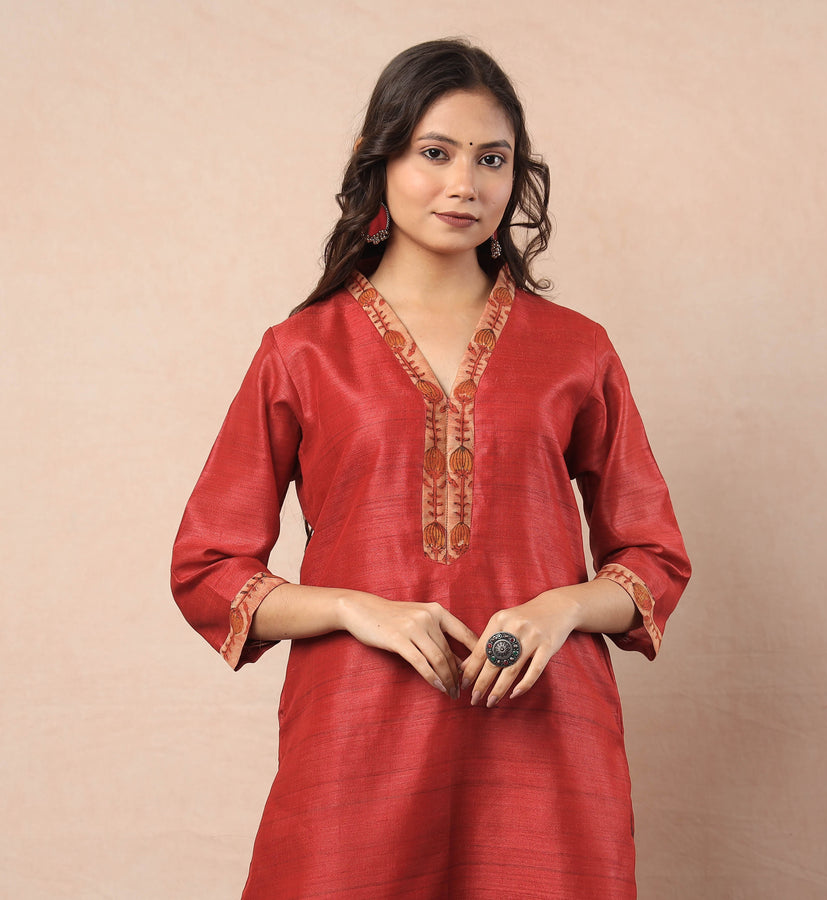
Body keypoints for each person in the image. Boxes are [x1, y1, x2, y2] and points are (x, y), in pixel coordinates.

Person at [171, 38, 691, 900]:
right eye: (435, 153)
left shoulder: (576, 350)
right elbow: (207, 567)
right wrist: (353, 607)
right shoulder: (303, 352)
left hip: (545, 729)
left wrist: (560, 608)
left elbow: (654, 557)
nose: (466, 184)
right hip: (359, 731)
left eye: (492, 159)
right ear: (377, 159)